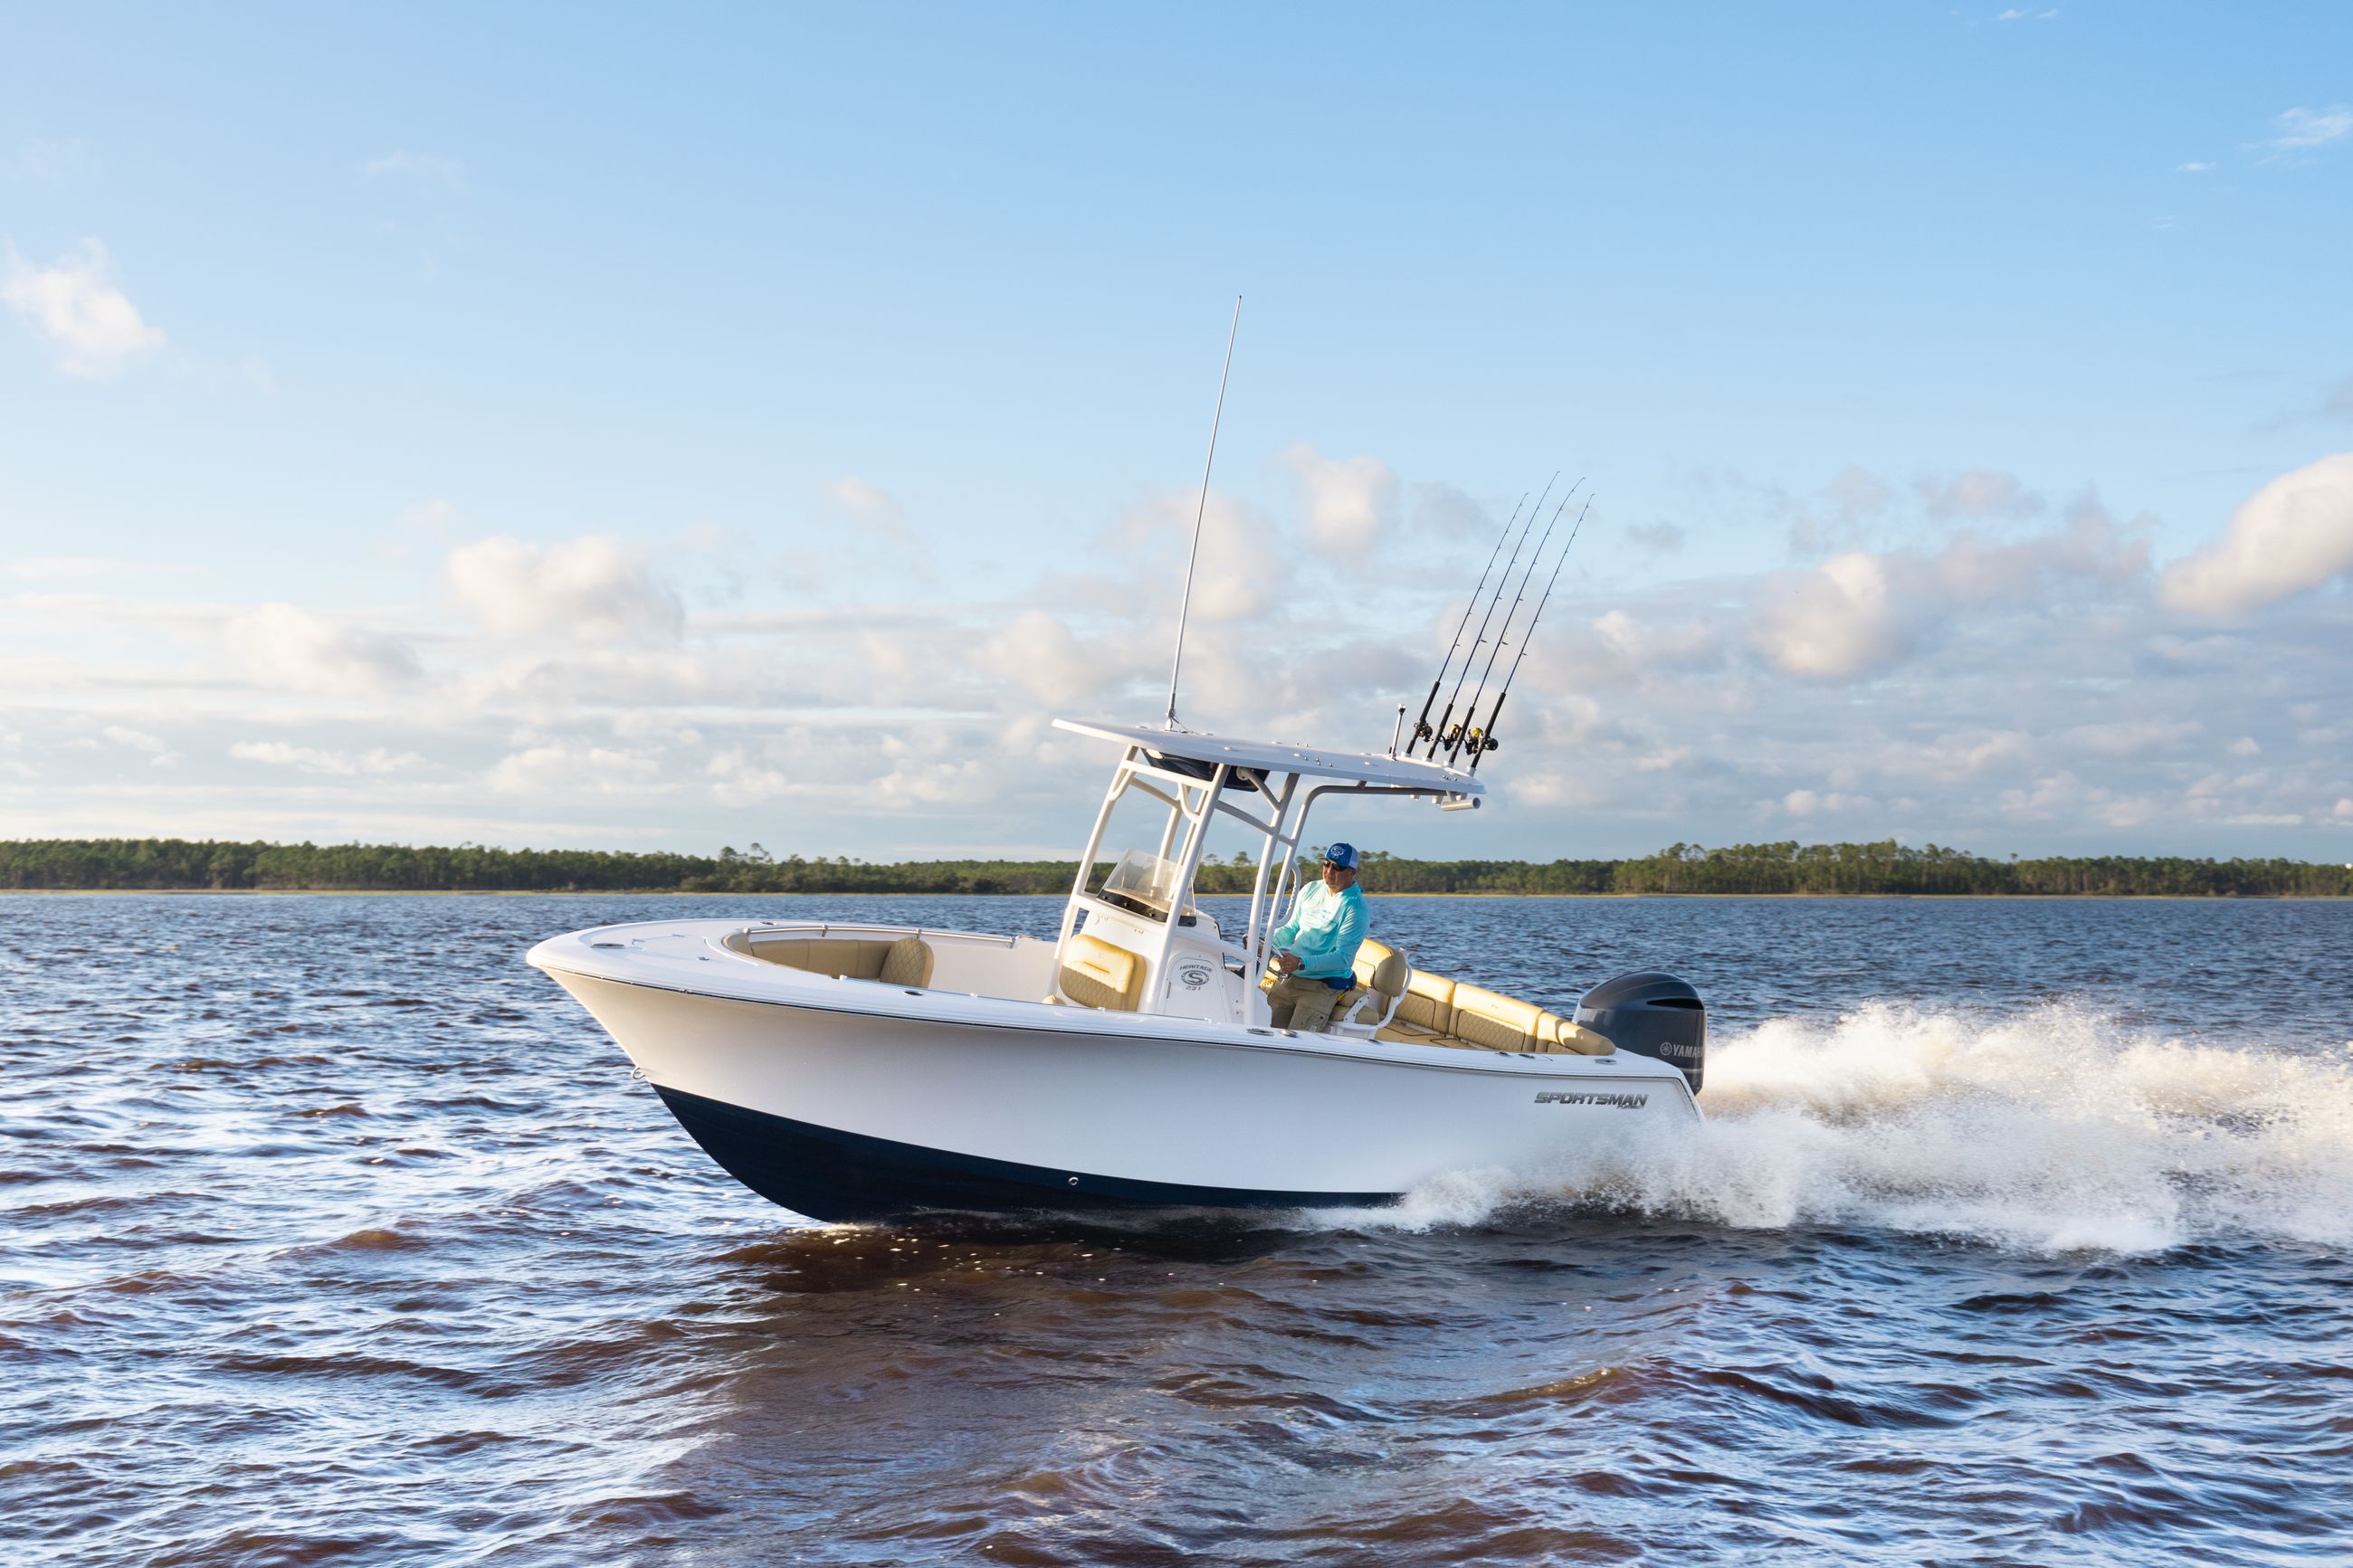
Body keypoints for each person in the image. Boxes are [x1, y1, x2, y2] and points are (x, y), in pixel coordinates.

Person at [1262, 842, 1368, 1032]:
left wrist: (1301, 963)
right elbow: (1291, 927)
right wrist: (1266, 944)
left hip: (1322, 986)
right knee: (1261, 1030)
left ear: (1352, 872)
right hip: (1290, 978)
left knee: (1297, 1043)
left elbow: (1343, 957)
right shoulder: (1310, 889)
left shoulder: (1355, 907)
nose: (1329, 870)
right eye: (1326, 864)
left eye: (1337, 867)